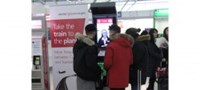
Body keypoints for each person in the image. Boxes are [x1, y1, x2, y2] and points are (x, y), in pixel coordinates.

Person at [104, 24, 133, 90]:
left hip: (114, 78)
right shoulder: (128, 44)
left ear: (112, 32)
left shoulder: (111, 46)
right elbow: (131, 61)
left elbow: (107, 63)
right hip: (124, 78)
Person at [73, 24, 101, 90]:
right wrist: (99, 70)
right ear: (94, 32)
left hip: (80, 75)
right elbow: (91, 64)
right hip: (88, 76)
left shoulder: (77, 44)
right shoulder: (91, 46)